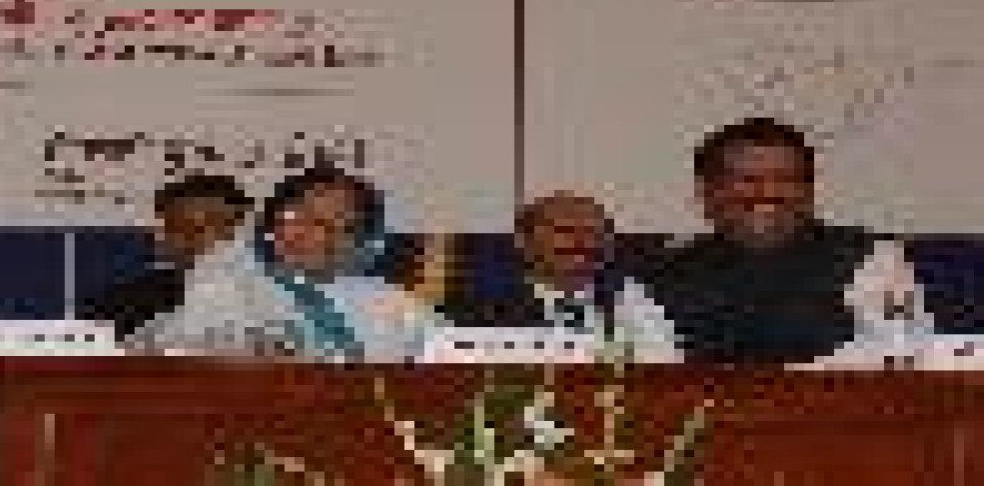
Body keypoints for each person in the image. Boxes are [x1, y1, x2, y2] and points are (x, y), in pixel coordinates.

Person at [659, 117, 936, 364]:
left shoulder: (872, 260)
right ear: (706, 192)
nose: (768, 192)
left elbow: (902, 365)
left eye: (786, 179)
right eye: (746, 179)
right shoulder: (665, 273)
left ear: (808, 191)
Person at [129, 166, 442, 361]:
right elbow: (189, 343)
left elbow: (446, 348)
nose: (298, 231)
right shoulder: (225, 272)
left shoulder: (383, 298)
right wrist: (248, 348)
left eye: (321, 224)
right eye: (292, 214)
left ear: (351, 243)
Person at [441, 191, 680, 361]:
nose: (583, 242)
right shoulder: (480, 311)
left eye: (595, 232)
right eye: (566, 231)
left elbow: (667, 376)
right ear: (523, 241)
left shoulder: (634, 300)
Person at [91, 173, 255, 338]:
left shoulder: (257, 292)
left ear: (235, 231)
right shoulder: (132, 297)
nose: (182, 239)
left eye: (198, 228)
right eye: (173, 227)